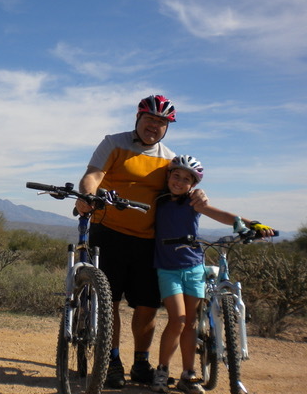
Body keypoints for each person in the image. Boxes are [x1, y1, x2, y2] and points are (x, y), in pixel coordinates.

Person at [75, 94, 209, 388]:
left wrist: (198, 194)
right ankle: (111, 361)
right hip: (108, 232)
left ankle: (140, 363)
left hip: (148, 241)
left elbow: (180, 187)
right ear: (138, 118)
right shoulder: (114, 143)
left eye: (161, 122)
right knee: (108, 302)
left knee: (147, 306)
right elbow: (93, 175)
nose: (154, 126)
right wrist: (87, 195)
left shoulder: (168, 158)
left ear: (166, 127)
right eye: (149, 119)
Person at [151, 155, 275, 394]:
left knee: (191, 323)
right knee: (177, 320)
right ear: (168, 176)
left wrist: (253, 224)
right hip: (168, 269)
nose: (179, 182)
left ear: (193, 184)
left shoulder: (193, 203)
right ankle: (162, 370)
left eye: (186, 179)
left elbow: (222, 215)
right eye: (176, 175)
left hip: (194, 267)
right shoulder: (159, 200)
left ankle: (188, 374)